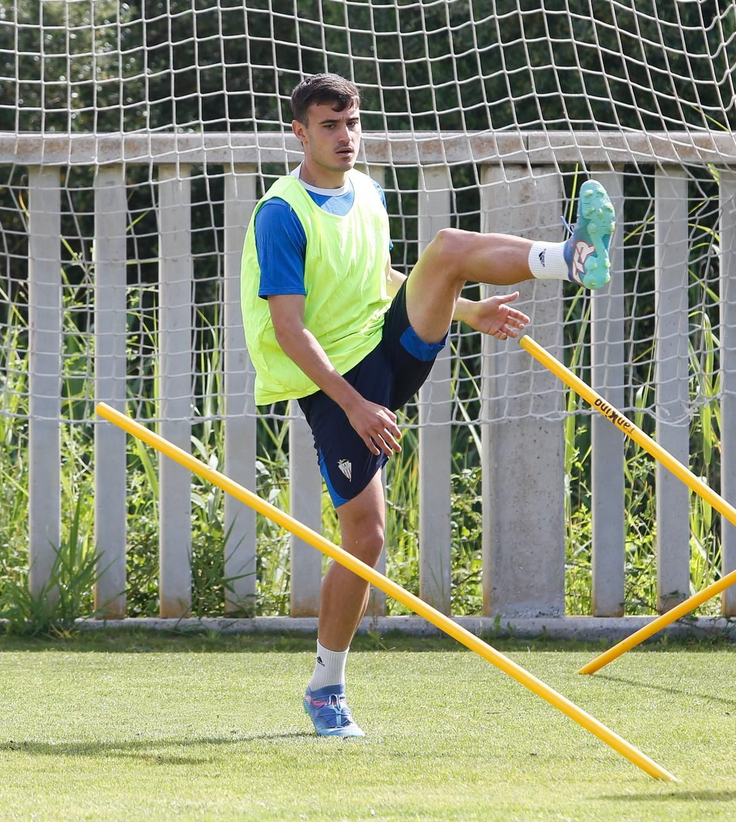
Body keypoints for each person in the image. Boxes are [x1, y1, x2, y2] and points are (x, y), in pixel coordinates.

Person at [240, 73, 616, 738]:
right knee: (366, 536)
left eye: (352, 122)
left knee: (444, 251)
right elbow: (288, 331)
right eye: (330, 125)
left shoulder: (368, 192)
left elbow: (385, 278)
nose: (346, 137)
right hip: (336, 386)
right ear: (300, 133)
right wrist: (355, 405)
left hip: (388, 346)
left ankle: (572, 256)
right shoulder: (281, 213)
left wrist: (469, 311)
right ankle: (326, 688)